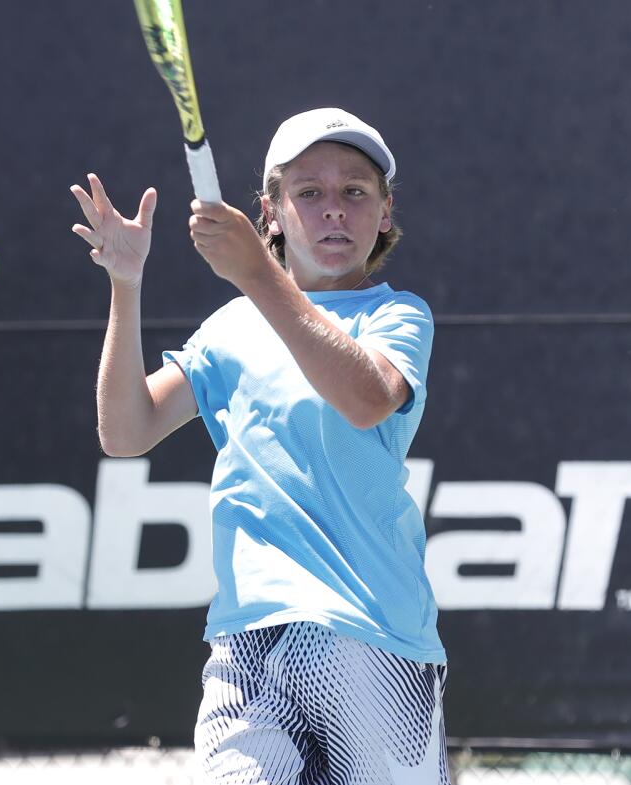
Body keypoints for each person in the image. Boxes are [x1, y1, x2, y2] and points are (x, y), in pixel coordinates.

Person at [70, 107, 448, 785]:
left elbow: (365, 398)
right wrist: (125, 286)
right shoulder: (229, 329)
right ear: (270, 214)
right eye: (308, 193)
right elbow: (125, 432)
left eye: (355, 192)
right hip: (245, 639)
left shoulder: (398, 314)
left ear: (385, 213)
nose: (334, 210)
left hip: (371, 634)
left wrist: (257, 276)